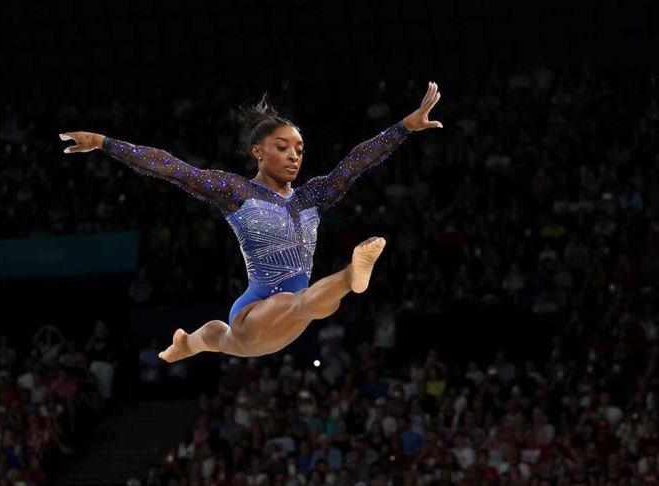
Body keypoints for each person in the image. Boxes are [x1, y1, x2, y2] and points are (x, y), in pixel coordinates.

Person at [60, 83, 443, 362]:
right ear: (257, 152)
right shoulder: (236, 192)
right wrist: (102, 141)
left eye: (299, 149)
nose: (294, 157)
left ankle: (187, 344)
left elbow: (356, 162)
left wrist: (404, 126)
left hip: (291, 310)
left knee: (273, 314)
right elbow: (171, 168)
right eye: (282, 148)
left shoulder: (312, 196)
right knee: (278, 312)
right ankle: (349, 278)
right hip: (254, 312)